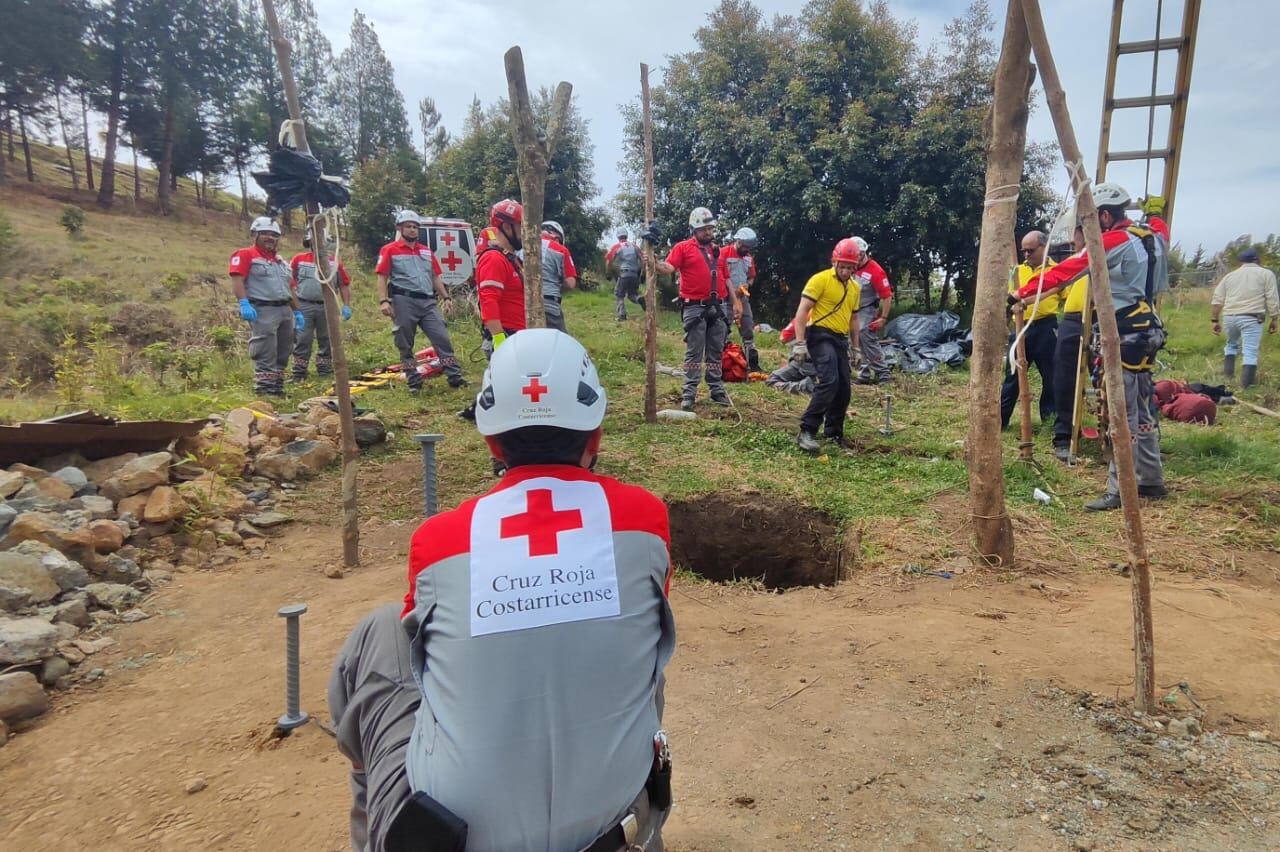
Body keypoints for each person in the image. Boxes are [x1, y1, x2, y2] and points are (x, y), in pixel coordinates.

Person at [328, 328, 675, 852]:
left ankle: (375, 804)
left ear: (491, 440)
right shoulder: (646, 519)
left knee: (382, 629)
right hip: (614, 828)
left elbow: (424, 662)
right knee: (637, 640)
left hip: (451, 836)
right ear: (595, 435)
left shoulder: (438, 542)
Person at [1012, 183, 1166, 510]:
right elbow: (1160, 225)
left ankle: (1120, 487)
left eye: (1091, 220)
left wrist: (1020, 293)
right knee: (1141, 405)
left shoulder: (1111, 241)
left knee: (1120, 412)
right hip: (1148, 327)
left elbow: (1067, 271)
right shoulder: (1152, 236)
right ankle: (1151, 478)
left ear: (1105, 216)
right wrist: (1154, 211)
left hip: (1123, 330)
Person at [653, 207, 740, 411]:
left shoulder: (717, 251)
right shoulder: (683, 248)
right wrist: (655, 263)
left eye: (710, 229)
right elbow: (669, 267)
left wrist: (736, 301)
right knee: (694, 353)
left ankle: (716, 390)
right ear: (694, 229)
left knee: (715, 353)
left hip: (718, 308)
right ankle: (689, 393)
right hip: (694, 308)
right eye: (704, 230)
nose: (708, 233)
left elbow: (726, 278)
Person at [376, 210, 466, 393]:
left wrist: (446, 297)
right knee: (405, 342)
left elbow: (435, 277)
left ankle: (454, 376)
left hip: (428, 302)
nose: (412, 230)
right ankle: (413, 381)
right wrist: (383, 301)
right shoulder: (389, 250)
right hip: (403, 300)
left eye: (415, 227)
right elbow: (382, 276)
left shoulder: (426, 251)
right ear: (400, 228)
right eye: (408, 226)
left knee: (441, 337)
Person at [791, 238, 863, 453]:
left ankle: (833, 433)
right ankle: (807, 430)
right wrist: (800, 343)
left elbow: (854, 319)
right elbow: (802, 311)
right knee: (829, 381)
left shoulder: (855, 288)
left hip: (840, 338)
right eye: (842, 266)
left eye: (850, 267)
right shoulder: (820, 280)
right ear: (835, 262)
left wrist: (856, 347)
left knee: (844, 388)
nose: (845, 270)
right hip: (820, 335)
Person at [229, 216, 304, 397]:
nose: (270, 238)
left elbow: (291, 288)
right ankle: (264, 390)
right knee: (265, 349)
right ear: (255, 234)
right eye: (265, 234)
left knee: (284, 349)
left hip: (285, 309)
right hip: (262, 309)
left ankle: (277, 389)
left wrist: (298, 311)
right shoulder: (246, 255)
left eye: (274, 235)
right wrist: (244, 303)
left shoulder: (281, 262)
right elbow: (237, 279)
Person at [1000, 230, 1059, 432]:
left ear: (1044, 247)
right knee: (1013, 374)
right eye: (1023, 251)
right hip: (1021, 328)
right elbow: (1010, 296)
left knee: (1050, 375)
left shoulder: (1056, 270)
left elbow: (1066, 297)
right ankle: (1001, 420)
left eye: (1030, 250)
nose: (1026, 255)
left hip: (1046, 327)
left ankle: (1049, 421)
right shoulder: (1017, 271)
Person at [1049, 223, 1089, 461]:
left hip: (1100, 316)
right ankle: (1063, 435)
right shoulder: (1079, 260)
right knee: (1064, 378)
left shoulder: (1110, 251)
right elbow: (1057, 283)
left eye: (1076, 242)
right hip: (1072, 320)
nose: (1074, 247)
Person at [1211, 247, 1279, 387]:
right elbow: (1272, 298)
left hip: (1229, 316)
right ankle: (1246, 386)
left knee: (1231, 345)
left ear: (1240, 262)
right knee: (1250, 351)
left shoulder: (1230, 276)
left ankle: (1228, 377)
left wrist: (1214, 320)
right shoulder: (1266, 274)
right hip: (1252, 317)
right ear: (1257, 260)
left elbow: (1217, 300)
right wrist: (1274, 318)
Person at [289, 232, 352, 382]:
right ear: (309, 242)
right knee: (303, 338)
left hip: (327, 305)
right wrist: (293, 305)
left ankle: (325, 369)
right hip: (304, 304)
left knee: (327, 338)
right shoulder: (299, 259)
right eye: (314, 241)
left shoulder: (334, 262)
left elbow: (343, 285)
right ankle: (299, 372)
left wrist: (346, 305)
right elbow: (290, 282)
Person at [849, 237, 894, 385]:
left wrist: (883, 317)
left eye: (858, 255)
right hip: (851, 309)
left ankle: (883, 374)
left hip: (867, 308)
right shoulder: (850, 267)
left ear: (863, 253)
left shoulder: (876, 271)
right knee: (854, 340)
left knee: (865, 335)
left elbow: (887, 296)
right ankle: (864, 374)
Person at [718, 227, 761, 371]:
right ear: (738, 241)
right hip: (725, 299)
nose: (746, 249)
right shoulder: (724, 253)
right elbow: (720, 275)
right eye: (745, 246)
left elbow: (752, 277)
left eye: (749, 247)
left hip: (742, 299)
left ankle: (753, 364)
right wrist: (731, 291)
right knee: (723, 329)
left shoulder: (749, 258)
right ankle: (721, 364)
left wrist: (746, 286)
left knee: (748, 329)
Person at [539, 220, 577, 332]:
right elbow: (570, 284)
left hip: (522, 304)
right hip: (549, 304)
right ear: (558, 237)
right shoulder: (560, 250)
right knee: (559, 344)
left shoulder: (522, 245)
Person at [606, 230, 644, 321]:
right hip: (635, 274)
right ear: (626, 236)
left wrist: (608, 273)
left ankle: (622, 315)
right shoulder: (635, 247)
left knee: (619, 294)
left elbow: (609, 261)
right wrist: (642, 274)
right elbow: (643, 260)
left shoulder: (616, 247)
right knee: (632, 294)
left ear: (618, 237)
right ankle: (639, 299)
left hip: (624, 274)